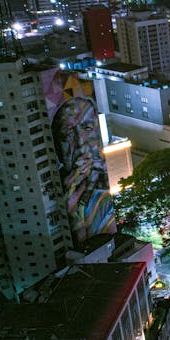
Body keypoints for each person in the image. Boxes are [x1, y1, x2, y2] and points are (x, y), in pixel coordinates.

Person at [52, 97, 116, 245]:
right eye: (68, 134)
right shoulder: (59, 190)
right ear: (56, 146)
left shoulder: (102, 182)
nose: (81, 143)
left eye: (87, 128)